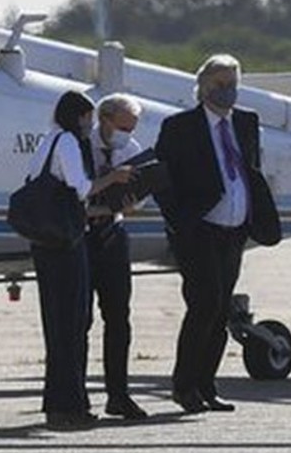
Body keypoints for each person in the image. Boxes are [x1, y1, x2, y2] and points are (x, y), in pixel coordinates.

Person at [155, 54, 275, 414]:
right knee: (203, 304)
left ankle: (207, 385)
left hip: (234, 229)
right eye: (221, 85)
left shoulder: (246, 123)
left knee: (221, 310)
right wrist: (177, 219)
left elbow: (250, 168)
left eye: (233, 84)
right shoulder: (180, 127)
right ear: (204, 87)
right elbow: (163, 177)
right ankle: (184, 384)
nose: (228, 92)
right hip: (198, 229)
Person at [27, 90, 132, 429]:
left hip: (46, 241)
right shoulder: (69, 143)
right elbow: (82, 187)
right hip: (65, 242)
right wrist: (113, 179)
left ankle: (64, 403)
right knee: (71, 325)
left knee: (60, 325)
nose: (90, 124)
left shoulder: (48, 140)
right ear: (79, 117)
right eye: (88, 117)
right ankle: (67, 406)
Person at [86, 93, 148, 420]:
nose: (127, 134)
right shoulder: (81, 144)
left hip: (113, 230)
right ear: (104, 119)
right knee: (79, 319)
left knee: (119, 318)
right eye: (123, 126)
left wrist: (130, 198)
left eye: (132, 128)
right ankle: (76, 394)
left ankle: (118, 394)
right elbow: (77, 188)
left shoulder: (131, 149)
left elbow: (138, 198)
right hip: (82, 234)